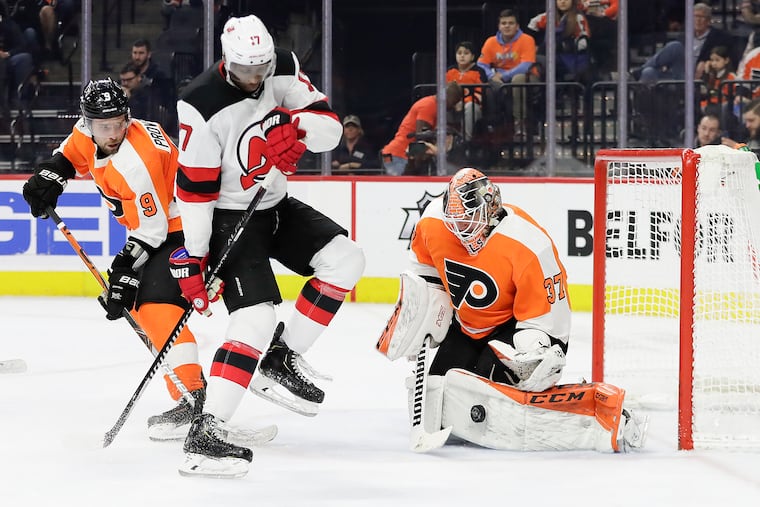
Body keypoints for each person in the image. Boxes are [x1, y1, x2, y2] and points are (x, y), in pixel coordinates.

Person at [172, 14, 365, 478]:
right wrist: (194, 255)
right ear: (227, 60)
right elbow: (195, 191)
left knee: (345, 260)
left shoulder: (281, 66)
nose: (256, 80)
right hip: (228, 219)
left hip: (274, 205)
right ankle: (206, 430)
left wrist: (298, 128)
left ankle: (280, 358)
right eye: (246, 71)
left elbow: (330, 128)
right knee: (255, 318)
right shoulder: (199, 103)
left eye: (262, 68)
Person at [377, 167, 648, 453]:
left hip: (514, 330)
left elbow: (549, 320)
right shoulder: (433, 222)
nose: (461, 229)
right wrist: (421, 317)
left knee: (490, 403)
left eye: (470, 219)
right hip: (466, 326)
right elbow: (425, 274)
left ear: (491, 208)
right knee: (439, 397)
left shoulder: (528, 243)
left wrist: (535, 353)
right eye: (456, 221)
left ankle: (594, 410)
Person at [20, 78, 213, 443]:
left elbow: (153, 229)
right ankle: (190, 390)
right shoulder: (90, 129)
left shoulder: (138, 162)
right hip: (162, 226)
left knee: (156, 307)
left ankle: (193, 395)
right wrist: (52, 174)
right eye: (102, 126)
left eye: (117, 124)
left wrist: (123, 270)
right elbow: (72, 151)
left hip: (184, 228)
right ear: (88, 121)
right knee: (140, 306)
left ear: (128, 118)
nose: (111, 133)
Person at [477, 9, 540, 139]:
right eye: (503, 23)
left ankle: (520, 123)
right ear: (499, 26)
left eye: (511, 23)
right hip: (500, 79)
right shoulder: (491, 42)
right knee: (489, 85)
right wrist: (491, 76)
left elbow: (526, 65)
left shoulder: (527, 39)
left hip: (528, 77)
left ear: (517, 26)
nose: (507, 26)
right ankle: (494, 126)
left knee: (518, 79)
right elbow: (481, 64)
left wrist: (503, 76)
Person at [636, 3, 737, 84]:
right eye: (695, 16)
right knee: (648, 72)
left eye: (702, 17)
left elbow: (725, 59)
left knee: (675, 46)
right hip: (679, 73)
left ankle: (636, 73)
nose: (698, 20)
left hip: (699, 78)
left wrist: (707, 62)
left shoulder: (720, 37)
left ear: (709, 21)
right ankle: (641, 108)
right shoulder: (684, 36)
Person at [381, 81, 463, 176]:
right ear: (447, 98)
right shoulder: (429, 106)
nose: (452, 107)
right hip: (397, 155)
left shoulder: (432, 105)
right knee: (401, 187)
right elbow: (420, 138)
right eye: (453, 103)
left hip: (399, 154)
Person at [528, 0, 592, 83]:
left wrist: (564, 46)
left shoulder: (579, 18)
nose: (563, 1)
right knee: (538, 61)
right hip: (551, 57)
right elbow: (532, 24)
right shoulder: (548, 16)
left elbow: (584, 42)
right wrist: (535, 45)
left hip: (571, 58)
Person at [445, 41, 487, 140]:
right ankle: (444, 139)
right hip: (452, 105)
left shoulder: (479, 72)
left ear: (472, 57)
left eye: (466, 53)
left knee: (470, 106)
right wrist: (454, 103)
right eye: (459, 53)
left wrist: (463, 102)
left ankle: (465, 140)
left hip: (472, 106)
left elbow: (480, 94)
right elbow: (444, 91)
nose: (462, 56)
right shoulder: (449, 71)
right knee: (439, 104)